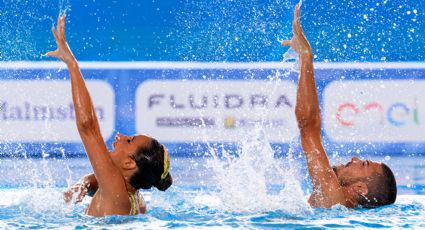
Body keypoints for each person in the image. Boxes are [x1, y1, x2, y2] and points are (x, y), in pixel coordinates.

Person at [47, 15, 172, 216]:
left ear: (129, 163)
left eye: (129, 140)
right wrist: (85, 183)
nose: (120, 136)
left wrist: (71, 63)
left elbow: (88, 127)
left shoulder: (115, 190)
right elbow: (102, 178)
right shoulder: (135, 199)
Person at [281, 5, 397, 208]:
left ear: (360, 189)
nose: (354, 158)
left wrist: (306, 56)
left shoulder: (333, 198)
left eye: (364, 164)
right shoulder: (338, 206)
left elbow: (308, 127)